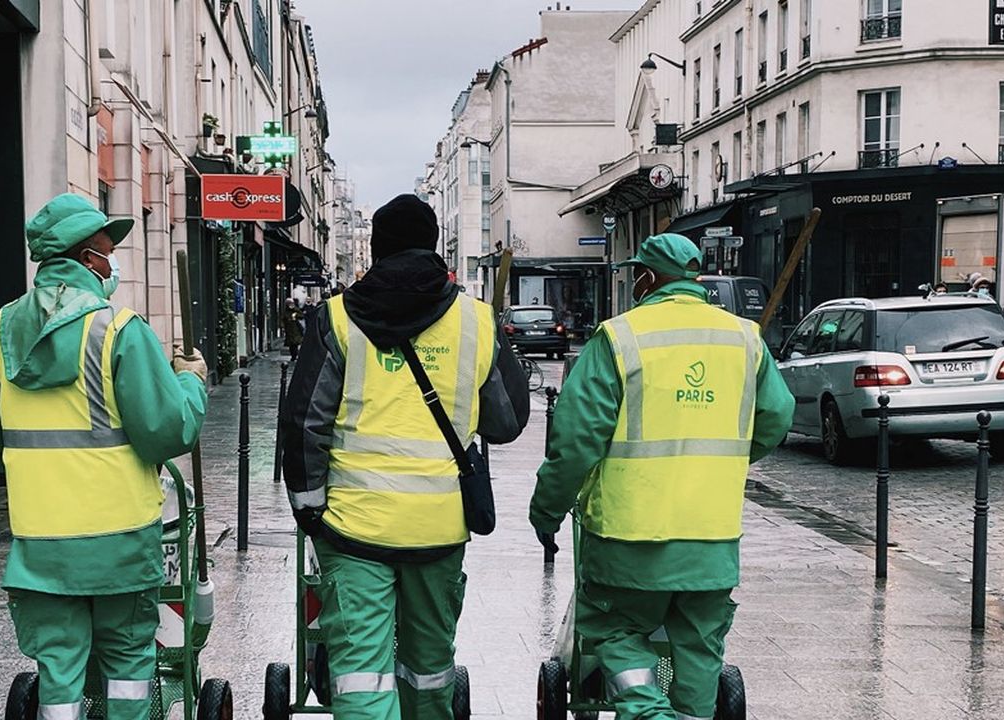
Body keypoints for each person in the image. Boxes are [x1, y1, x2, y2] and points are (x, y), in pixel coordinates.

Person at [0, 193, 209, 720]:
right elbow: (168, 431)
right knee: (127, 667)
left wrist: (35, 472)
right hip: (119, 542)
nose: (113, 259)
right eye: (107, 249)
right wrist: (191, 381)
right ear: (87, 258)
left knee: (60, 674)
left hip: (42, 546)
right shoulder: (118, 330)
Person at [281, 194, 530, 720]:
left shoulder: (336, 319)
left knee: (361, 676)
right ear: (435, 245)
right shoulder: (478, 321)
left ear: (376, 249)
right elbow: (508, 424)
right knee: (428, 672)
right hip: (438, 529)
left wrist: (309, 509)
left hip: (354, 531)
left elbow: (304, 423)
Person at [529, 233, 794, 720]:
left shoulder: (619, 337)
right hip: (711, 537)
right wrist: (722, 458)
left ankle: (648, 711)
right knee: (698, 643)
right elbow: (777, 416)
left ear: (648, 278)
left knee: (614, 631)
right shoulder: (744, 337)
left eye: (638, 275)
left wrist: (546, 509)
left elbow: (575, 441)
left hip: (629, 537)